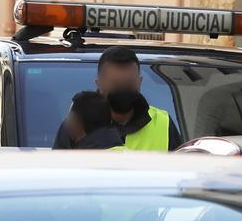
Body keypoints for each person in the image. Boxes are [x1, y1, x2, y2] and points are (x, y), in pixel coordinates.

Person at [52, 46, 182, 151]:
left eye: (129, 83)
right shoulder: (78, 123)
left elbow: (179, 175)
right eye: (116, 84)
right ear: (99, 84)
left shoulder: (163, 123)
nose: (123, 89)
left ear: (139, 82)